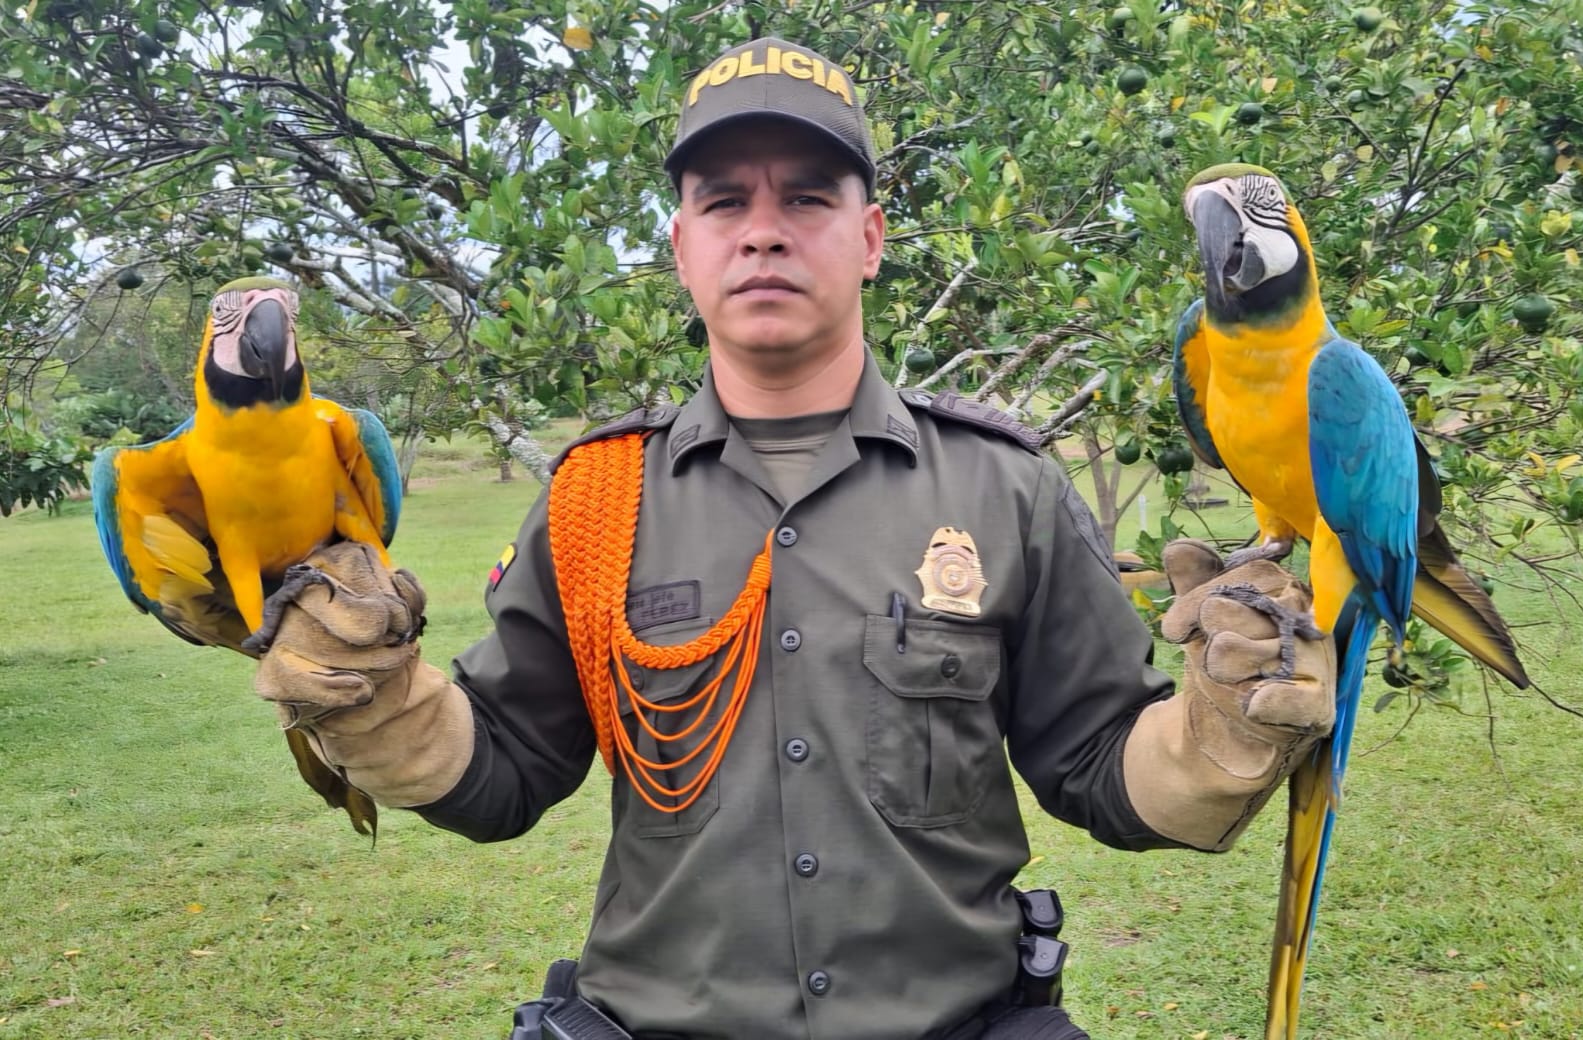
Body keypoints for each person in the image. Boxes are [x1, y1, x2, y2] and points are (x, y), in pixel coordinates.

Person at [253, 36, 1336, 1040]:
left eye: (808, 197)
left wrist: (1217, 729)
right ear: (682, 248)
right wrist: (383, 707)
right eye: (723, 202)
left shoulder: (1004, 487)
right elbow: (507, 778)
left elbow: (1099, 766)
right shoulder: (595, 496)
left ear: (868, 239)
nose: (763, 228)